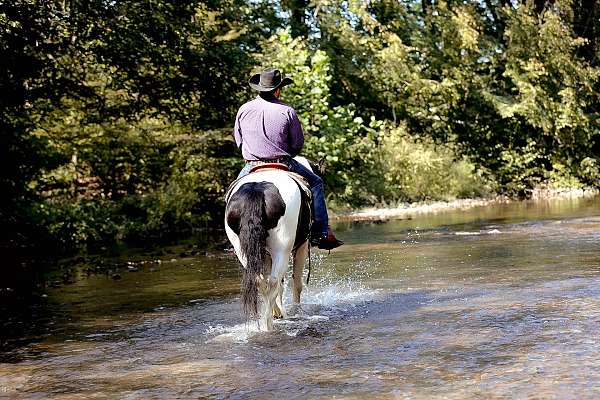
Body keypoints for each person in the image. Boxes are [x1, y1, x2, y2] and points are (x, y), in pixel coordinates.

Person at [233, 67, 343, 250]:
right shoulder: (287, 111)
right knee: (316, 183)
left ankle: (235, 235)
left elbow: (239, 140)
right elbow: (297, 143)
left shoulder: (243, 109)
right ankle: (322, 232)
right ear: (277, 90)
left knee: (232, 195)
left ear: (259, 89)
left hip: (252, 165)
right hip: (282, 162)